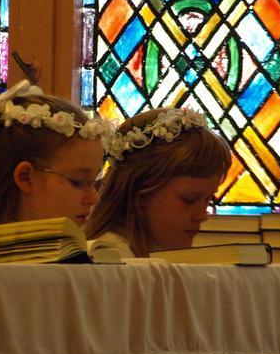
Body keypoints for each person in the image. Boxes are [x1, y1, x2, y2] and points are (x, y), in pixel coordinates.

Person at [0, 80, 112, 262]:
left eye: (95, 182)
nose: (94, 198)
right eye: (78, 181)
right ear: (26, 177)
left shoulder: (73, 252)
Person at [86, 107, 231, 258]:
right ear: (141, 195)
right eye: (189, 200)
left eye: (208, 199)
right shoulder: (110, 259)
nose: (202, 215)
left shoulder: (157, 255)